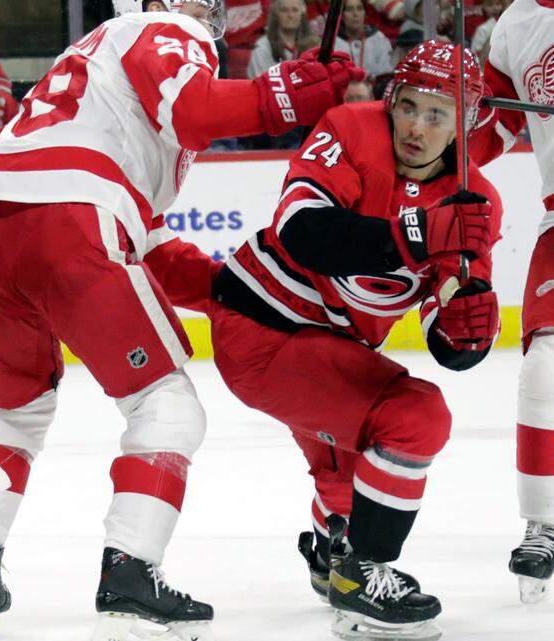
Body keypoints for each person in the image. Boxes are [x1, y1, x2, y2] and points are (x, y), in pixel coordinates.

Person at [0, 1, 362, 639]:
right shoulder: (160, 29)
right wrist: (280, 93)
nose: (210, 9)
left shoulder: (94, 72)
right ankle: (131, 572)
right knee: (167, 405)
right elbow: (196, 114)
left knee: (12, 413)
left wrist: (230, 288)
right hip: (70, 221)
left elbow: (147, 245)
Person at [180, 41, 497, 641]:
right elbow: (301, 231)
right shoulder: (349, 129)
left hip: (332, 348)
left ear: (465, 122)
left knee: (356, 467)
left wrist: (465, 331)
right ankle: (364, 574)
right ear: (388, 102)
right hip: (265, 328)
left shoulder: (475, 201)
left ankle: (336, 550)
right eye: (408, 107)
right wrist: (413, 234)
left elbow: (449, 325)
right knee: (413, 416)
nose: (417, 128)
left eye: (437, 115)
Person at [474, 0, 554, 605]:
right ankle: (545, 523)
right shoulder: (516, 23)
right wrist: (433, 157)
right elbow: (496, 124)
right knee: (544, 371)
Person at [246, 0, 309, 78]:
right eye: (284, 10)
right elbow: (261, 82)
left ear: (302, 15)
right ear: (276, 15)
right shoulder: (262, 47)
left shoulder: (311, 45)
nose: (290, 15)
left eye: (295, 10)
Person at [335, 0, 394, 78]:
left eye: (359, 9)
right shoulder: (335, 42)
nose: (355, 14)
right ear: (341, 16)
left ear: (365, 13)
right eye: (349, 9)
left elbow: (385, 72)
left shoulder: (378, 38)